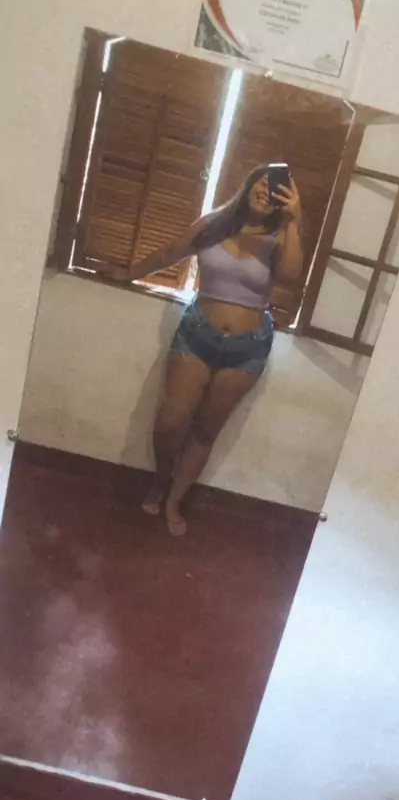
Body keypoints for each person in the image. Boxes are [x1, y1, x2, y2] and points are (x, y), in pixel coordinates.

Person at [112, 164, 304, 535]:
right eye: (263, 182)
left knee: (205, 430)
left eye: (276, 189)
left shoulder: (281, 234)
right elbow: (170, 251)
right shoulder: (214, 223)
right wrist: (130, 273)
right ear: (250, 183)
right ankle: (160, 480)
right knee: (171, 420)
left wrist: (293, 220)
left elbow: (290, 276)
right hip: (198, 335)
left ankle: (174, 500)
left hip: (248, 348)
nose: (266, 191)